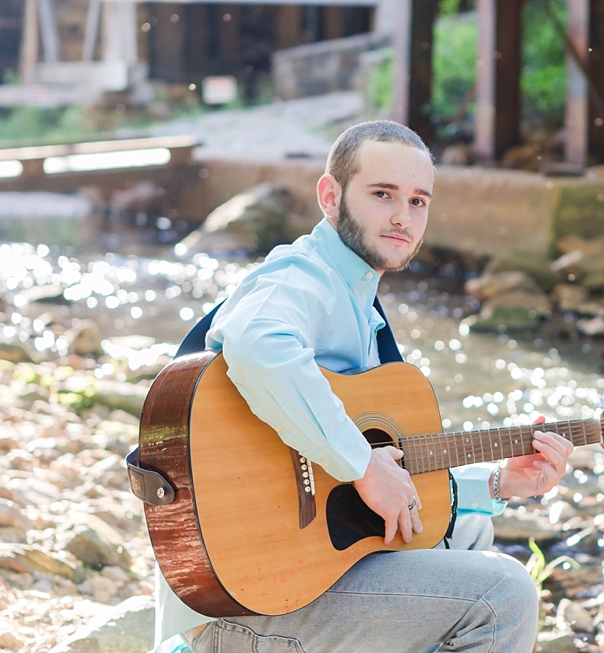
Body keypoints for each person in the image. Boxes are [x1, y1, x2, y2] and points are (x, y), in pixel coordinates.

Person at [153, 120, 574, 653]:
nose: (403, 216)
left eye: (419, 201)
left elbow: (371, 477)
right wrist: (363, 463)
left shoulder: (358, 300)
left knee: (464, 533)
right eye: (382, 194)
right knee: (503, 594)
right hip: (237, 606)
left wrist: (498, 484)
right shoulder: (302, 277)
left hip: (288, 580)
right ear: (331, 196)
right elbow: (254, 339)